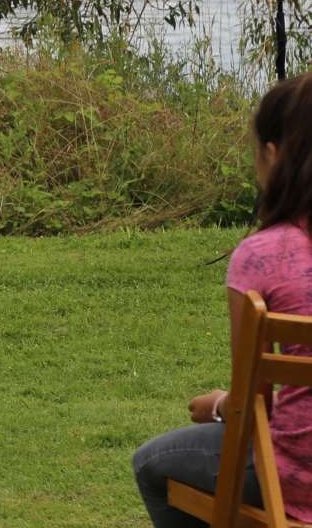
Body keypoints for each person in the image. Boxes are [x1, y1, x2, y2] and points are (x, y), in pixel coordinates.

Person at [133, 72, 312, 524]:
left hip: (294, 479)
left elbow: (253, 402)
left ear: (273, 155)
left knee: (152, 465)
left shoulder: (262, 256)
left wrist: (215, 405)